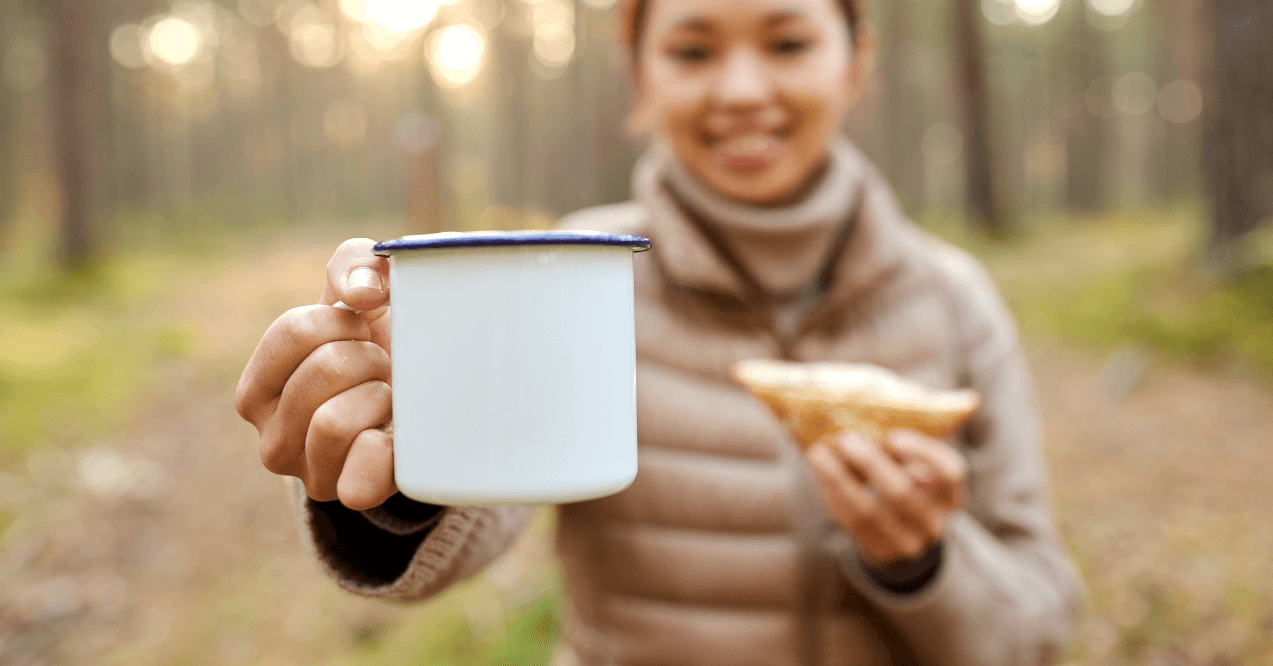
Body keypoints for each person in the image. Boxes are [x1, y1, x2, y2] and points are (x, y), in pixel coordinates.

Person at [235, 0, 1080, 662]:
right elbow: (463, 536)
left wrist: (923, 563)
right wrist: (402, 454)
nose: (742, 90)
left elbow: (1036, 633)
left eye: (787, 43)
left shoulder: (952, 300)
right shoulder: (568, 279)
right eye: (692, 50)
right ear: (637, 76)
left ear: (856, 62)